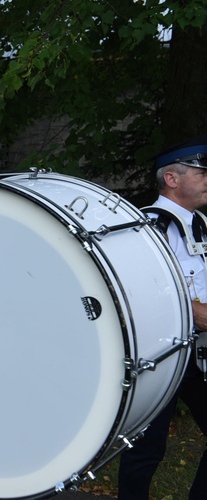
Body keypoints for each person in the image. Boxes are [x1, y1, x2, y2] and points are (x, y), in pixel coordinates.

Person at [118, 134, 207, 499]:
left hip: (197, 353)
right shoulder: (147, 227)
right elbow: (138, 291)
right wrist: (195, 312)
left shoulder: (199, 222)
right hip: (161, 355)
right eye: (203, 173)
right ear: (172, 179)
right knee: (146, 450)